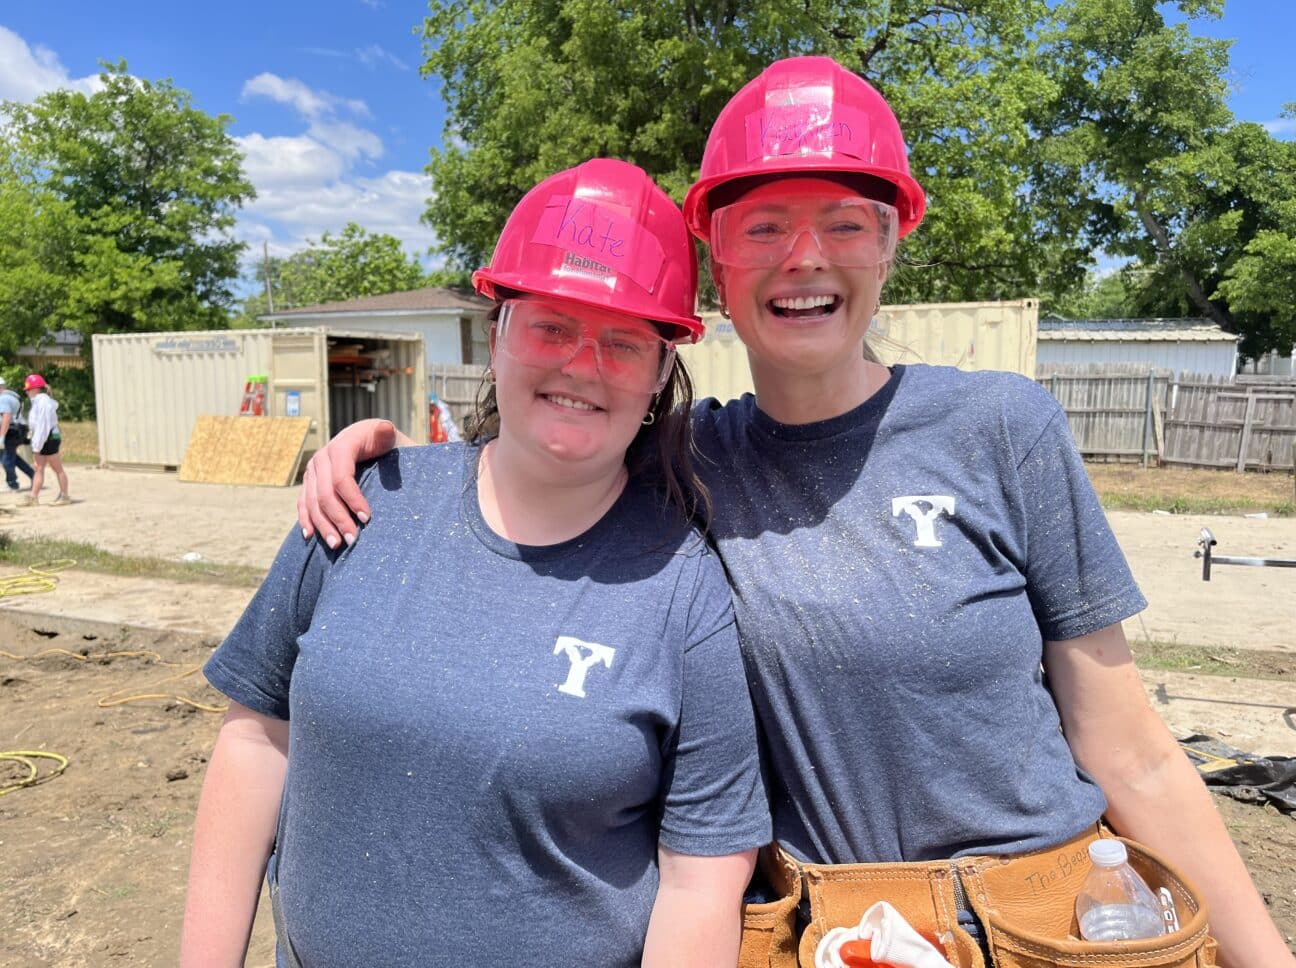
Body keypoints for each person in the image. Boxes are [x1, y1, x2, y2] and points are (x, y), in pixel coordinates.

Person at [295, 58, 1293, 968]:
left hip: (1050, 919)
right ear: (717, 268)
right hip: (841, 933)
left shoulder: (1002, 427)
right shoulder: (680, 462)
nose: (804, 257)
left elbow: (1133, 748)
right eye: (761, 226)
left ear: (895, 242)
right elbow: (541, 444)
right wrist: (400, 470)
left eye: (846, 222)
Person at [181, 158, 769, 968]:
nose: (582, 364)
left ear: (662, 375)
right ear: (496, 337)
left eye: (624, 342)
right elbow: (256, 742)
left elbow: (702, 879)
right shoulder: (364, 502)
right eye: (550, 326)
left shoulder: (682, 588)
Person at [18, 374, 70, 507]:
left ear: (36, 389)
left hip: (49, 438)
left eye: (28, 389)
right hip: (42, 438)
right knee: (39, 468)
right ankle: (33, 498)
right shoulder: (37, 402)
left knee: (57, 468)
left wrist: (36, 447)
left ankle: (64, 496)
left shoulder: (44, 402)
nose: (27, 392)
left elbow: (44, 427)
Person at [0, 376, 34, 492]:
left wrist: (1, 437)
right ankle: (33, 475)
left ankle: (12, 483)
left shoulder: (3, 399)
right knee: (11, 456)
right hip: (19, 429)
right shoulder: (12, 396)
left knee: (6, 459)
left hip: (13, 430)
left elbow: (6, 417)